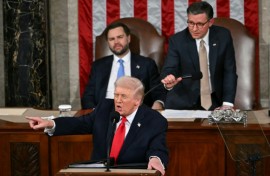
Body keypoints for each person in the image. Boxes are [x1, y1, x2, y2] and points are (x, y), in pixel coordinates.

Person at [26, 76, 168, 175]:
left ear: (137, 101)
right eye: (116, 95)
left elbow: (158, 147)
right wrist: (51, 123)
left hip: (131, 173)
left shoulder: (154, 120)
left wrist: (156, 159)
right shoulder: (105, 108)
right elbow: (80, 123)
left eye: (123, 96)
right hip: (99, 173)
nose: (118, 101)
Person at [161, 1, 237, 110]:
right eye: (191, 23)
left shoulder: (223, 36)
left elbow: (229, 71)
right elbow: (169, 68)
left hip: (215, 101)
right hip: (183, 102)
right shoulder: (177, 41)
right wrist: (169, 80)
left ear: (210, 22)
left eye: (200, 24)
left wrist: (227, 104)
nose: (194, 29)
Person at [81, 22, 166, 110]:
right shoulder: (98, 66)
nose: (116, 42)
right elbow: (88, 96)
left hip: (136, 113)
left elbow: (158, 92)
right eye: (112, 39)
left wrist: (158, 103)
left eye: (120, 37)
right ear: (108, 42)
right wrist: (95, 112)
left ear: (128, 38)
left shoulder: (147, 64)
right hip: (104, 113)